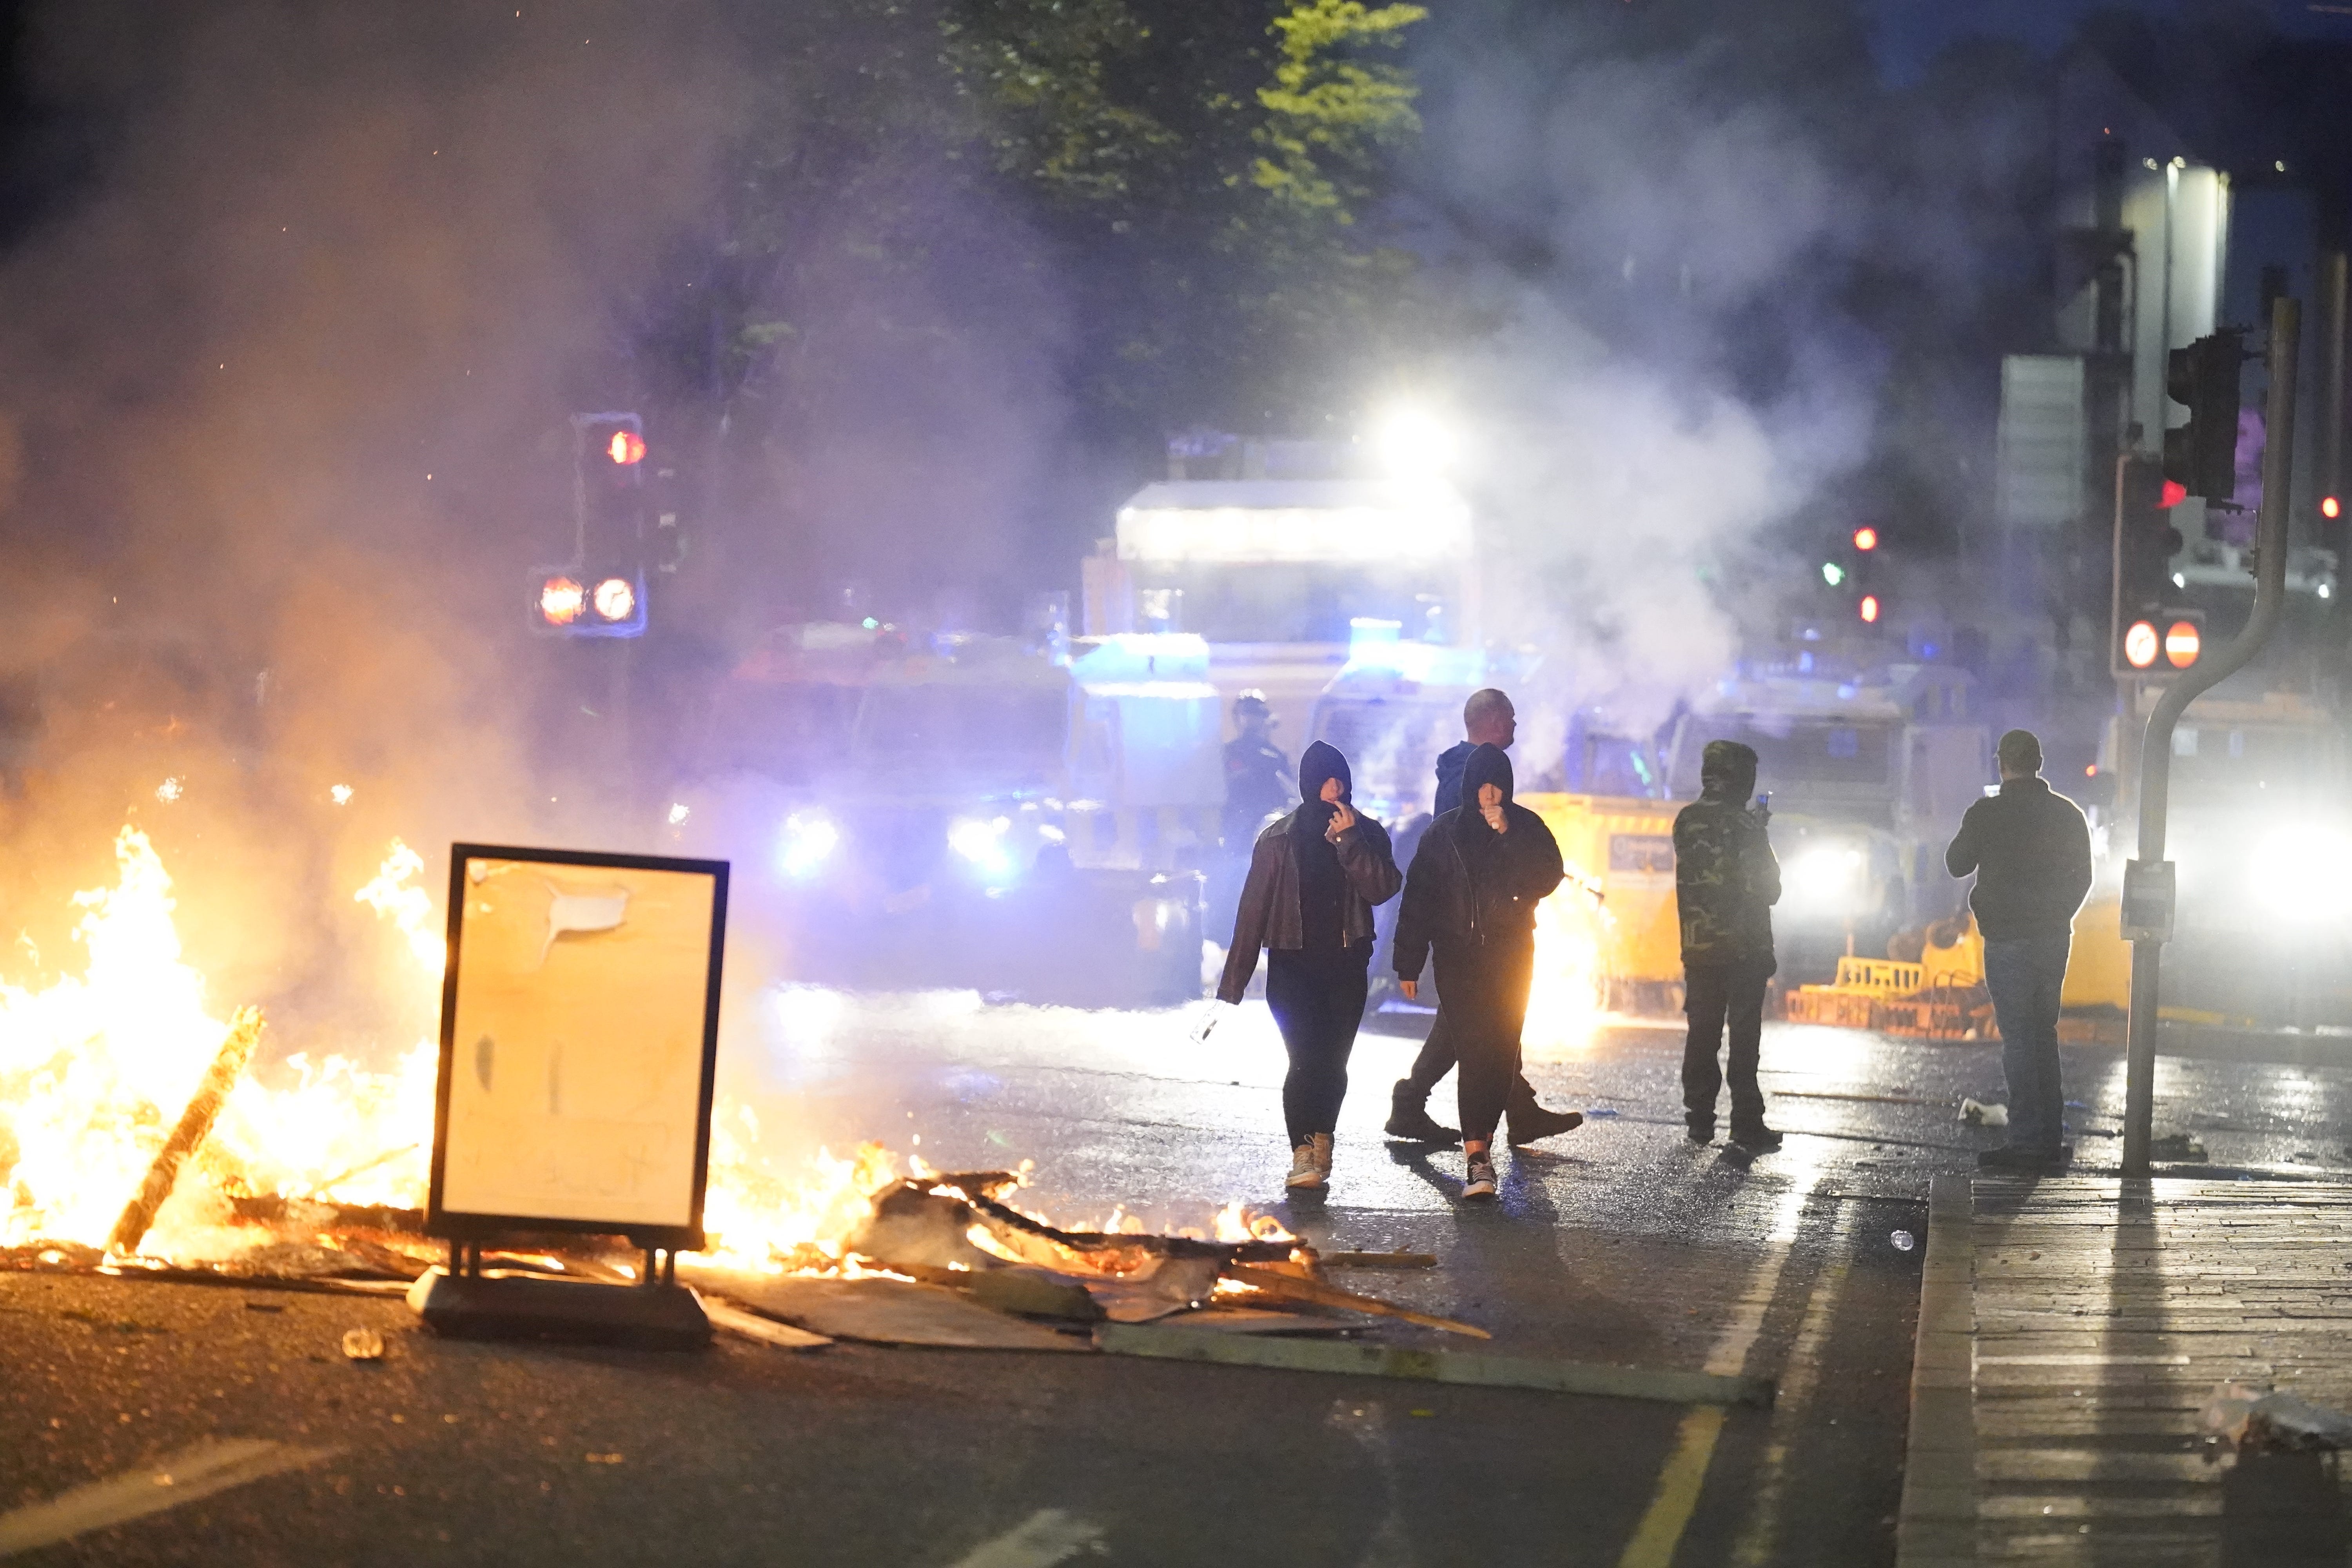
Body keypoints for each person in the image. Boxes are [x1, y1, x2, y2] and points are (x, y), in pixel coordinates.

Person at [1386, 688, 1583, 1147]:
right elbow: (1446, 861)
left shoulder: (1467, 771)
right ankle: (1415, 1102)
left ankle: (1516, 1108)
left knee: (1484, 1023)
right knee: (1471, 1026)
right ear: (1492, 721)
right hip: (1470, 932)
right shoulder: (1467, 775)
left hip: (1481, 929)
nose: (1516, 726)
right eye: (1510, 718)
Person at [1219, 740, 1403, 1190]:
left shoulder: (1368, 832)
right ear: (1307, 784)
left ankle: (1324, 1133)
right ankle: (1302, 1153)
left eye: (1340, 781)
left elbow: (1384, 888)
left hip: (1346, 967)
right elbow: (1252, 910)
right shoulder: (1277, 839)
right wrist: (1233, 983)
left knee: (1334, 1061)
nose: (1334, 789)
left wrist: (1350, 842)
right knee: (1303, 1060)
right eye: (1324, 781)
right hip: (1292, 967)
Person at [1944, 729, 2092, 1172]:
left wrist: (1978, 822)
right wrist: (2057, 914)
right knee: (2043, 1034)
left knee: (2020, 1041)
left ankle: (2027, 1141)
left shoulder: (1988, 812)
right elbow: (2082, 877)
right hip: (2053, 938)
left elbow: (1956, 863)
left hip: (2008, 939)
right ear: (2040, 762)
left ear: (2001, 762)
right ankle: (2048, 1136)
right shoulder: (2067, 814)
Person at [1674, 739, 1784, 1152]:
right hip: (1744, 950)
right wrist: (1758, 832)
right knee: (1743, 1038)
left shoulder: (1685, 821)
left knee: (1702, 1034)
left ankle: (1699, 1120)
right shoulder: (1746, 828)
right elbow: (1769, 889)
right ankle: (1745, 1123)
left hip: (1699, 948)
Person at [1221, 691, 1292, 851]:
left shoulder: (1276, 756)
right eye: (1246, 713)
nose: (1250, 719)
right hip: (1235, 824)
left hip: (1268, 823)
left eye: (1256, 714)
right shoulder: (1228, 753)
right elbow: (1219, 786)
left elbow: (1288, 791)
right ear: (1237, 717)